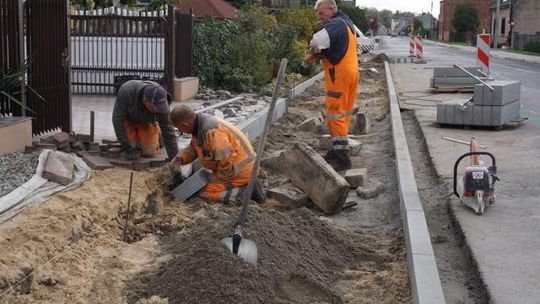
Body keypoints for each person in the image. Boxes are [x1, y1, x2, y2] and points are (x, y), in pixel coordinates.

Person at [168, 104, 265, 203]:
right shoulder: (199, 127)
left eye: (179, 128)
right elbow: (194, 148)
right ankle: (245, 185)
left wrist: (219, 176)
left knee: (203, 192)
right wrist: (181, 158)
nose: (180, 131)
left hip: (240, 172)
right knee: (201, 187)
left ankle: (247, 192)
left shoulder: (212, 132)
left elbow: (227, 159)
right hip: (234, 169)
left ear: (185, 125)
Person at [303, 0, 359, 171]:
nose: (320, 17)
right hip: (351, 72)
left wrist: (313, 53)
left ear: (332, 8)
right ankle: (339, 149)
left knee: (335, 114)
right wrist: (321, 55)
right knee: (343, 114)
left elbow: (317, 41)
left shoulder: (335, 23)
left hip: (339, 74)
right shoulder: (347, 23)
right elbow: (337, 46)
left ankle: (342, 158)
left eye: (322, 13)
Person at [112, 80, 179, 161]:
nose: (159, 111)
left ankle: (159, 138)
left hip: (147, 123)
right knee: (131, 146)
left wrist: (174, 159)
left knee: (149, 152)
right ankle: (135, 141)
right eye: (156, 109)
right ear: (145, 101)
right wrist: (126, 146)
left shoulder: (162, 102)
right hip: (129, 121)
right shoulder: (127, 91)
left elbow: (168, 132)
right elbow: (117, 120)